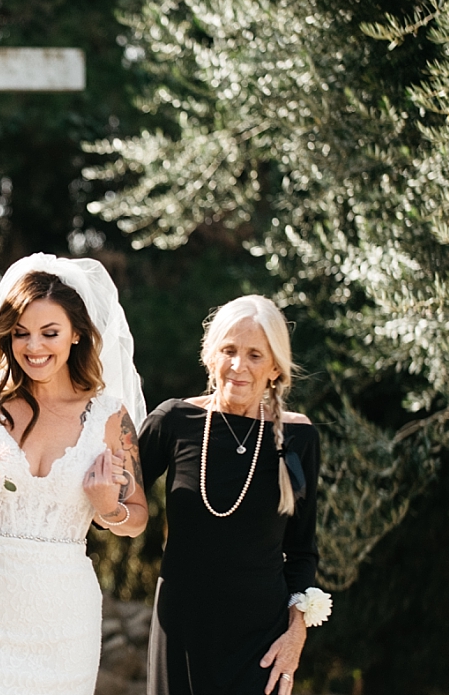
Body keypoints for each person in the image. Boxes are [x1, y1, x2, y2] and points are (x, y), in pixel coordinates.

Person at [0, 254, 149, 695]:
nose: (34, 347)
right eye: (21, 334)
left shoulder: (109, 416)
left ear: (77, 335)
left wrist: (109, 508)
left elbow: (139, 517)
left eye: (50, 333)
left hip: (64, 623)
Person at [138, 295, 323, 695]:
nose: (238, 366)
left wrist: (295, 638)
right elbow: (118, 500)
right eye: (229, 350)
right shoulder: (173, 421)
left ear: (275, 367)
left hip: (262, 645)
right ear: (210, 356)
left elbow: (303, 551)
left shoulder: (298, 438)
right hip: (181, 631)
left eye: (255, 355)